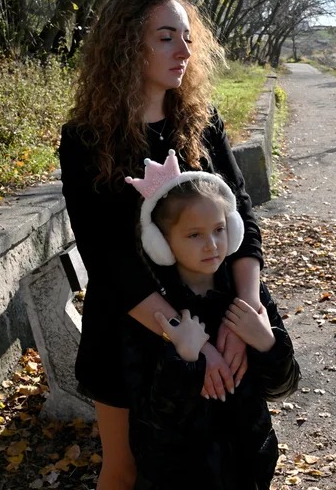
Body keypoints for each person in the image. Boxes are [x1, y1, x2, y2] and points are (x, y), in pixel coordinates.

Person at [57, 0, 264, 489]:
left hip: (215, 316)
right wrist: (186, 338)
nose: (184, 50)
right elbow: (107, 259)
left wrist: (244, 314)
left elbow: (241, 220)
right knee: (126, 469)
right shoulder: (85, 139)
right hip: (129, 328)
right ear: (129, 44)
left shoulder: (202, 121)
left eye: (187, 37)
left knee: (225, 461)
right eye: (166, 36)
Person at [122, 154, 301, 490]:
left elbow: (283, 386)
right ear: (161, 243)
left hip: (251, 469)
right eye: (194, 235)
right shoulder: (156, 315)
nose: (212, 245)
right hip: (179, 479)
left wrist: (266, 343)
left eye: (219, 230)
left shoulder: (246, 296)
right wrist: (184, 360)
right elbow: (152, 425)